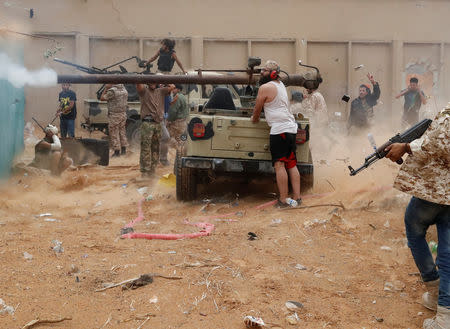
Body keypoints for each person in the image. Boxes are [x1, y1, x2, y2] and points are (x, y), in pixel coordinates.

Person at [384, 105, 449, 329]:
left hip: (439, 189)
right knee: (447, 249)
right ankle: (440, 303)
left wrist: (406, 146)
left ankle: (437, 298)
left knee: (415, 227)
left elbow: (442, 143)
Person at [251, 60, 301, 208]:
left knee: (279, 165)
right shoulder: (281, 86)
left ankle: (283, 200)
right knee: (291, 164)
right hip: (291, 128)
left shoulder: (265, 88)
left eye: (265, 71)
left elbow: (257, 110)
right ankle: (297, 198)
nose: (261, 73)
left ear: (272, 73)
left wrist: (254, 119)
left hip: (279, 130)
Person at [136, 82, 175, 177]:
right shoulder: (144, 91)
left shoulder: (161, 91)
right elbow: (138, 84)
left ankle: (152, 171)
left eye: (154, 82)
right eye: (151, 82)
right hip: (147, 123)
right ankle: (145, 172)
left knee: (155, 148)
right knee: (146, 148)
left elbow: (172, 86)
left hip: (158, 123)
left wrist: (161, 80)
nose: (152, 84)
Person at [100, 84, 129, 157]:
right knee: (122, 132)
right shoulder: (124, 89)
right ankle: (123, 150)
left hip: (114, 115)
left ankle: (116, 152)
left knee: (114, 133)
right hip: (123, 114)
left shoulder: (112, 91)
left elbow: (102, 98)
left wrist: (106, 88)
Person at [167, 84, 189, 154]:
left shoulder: (177, 97)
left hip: (176, 123)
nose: (172, 90)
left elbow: (173, 111)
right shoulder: (183, 96)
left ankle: (173, 154)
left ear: (178, 89)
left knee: (169, 137)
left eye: (174, 89)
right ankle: (181, 154)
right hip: (183, 122)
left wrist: (169, 120)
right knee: (181, 140)